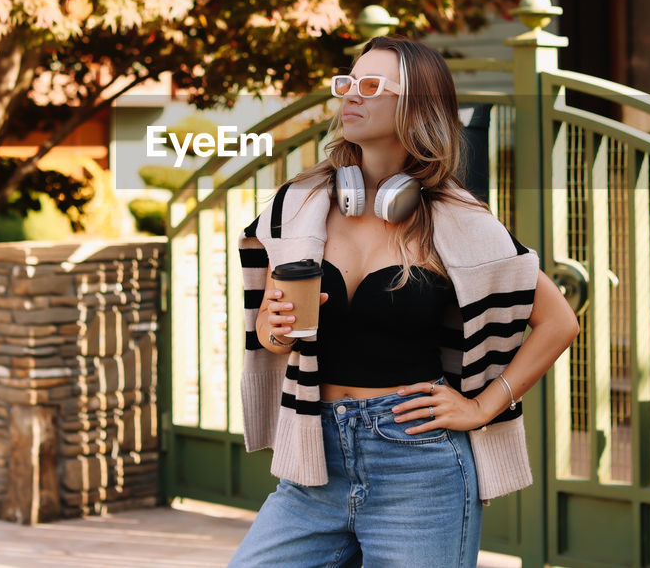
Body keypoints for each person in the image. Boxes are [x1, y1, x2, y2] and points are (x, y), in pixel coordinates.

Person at [228, 36, 580, 568]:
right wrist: (272, 331)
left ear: (417, 106)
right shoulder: (297, 207)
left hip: (419, 464)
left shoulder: (459, 222)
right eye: (346, 83)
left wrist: (484, 405)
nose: (351, 96)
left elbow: (559, 321)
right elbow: (275, 334)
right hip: (316, 456)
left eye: (371, 86)